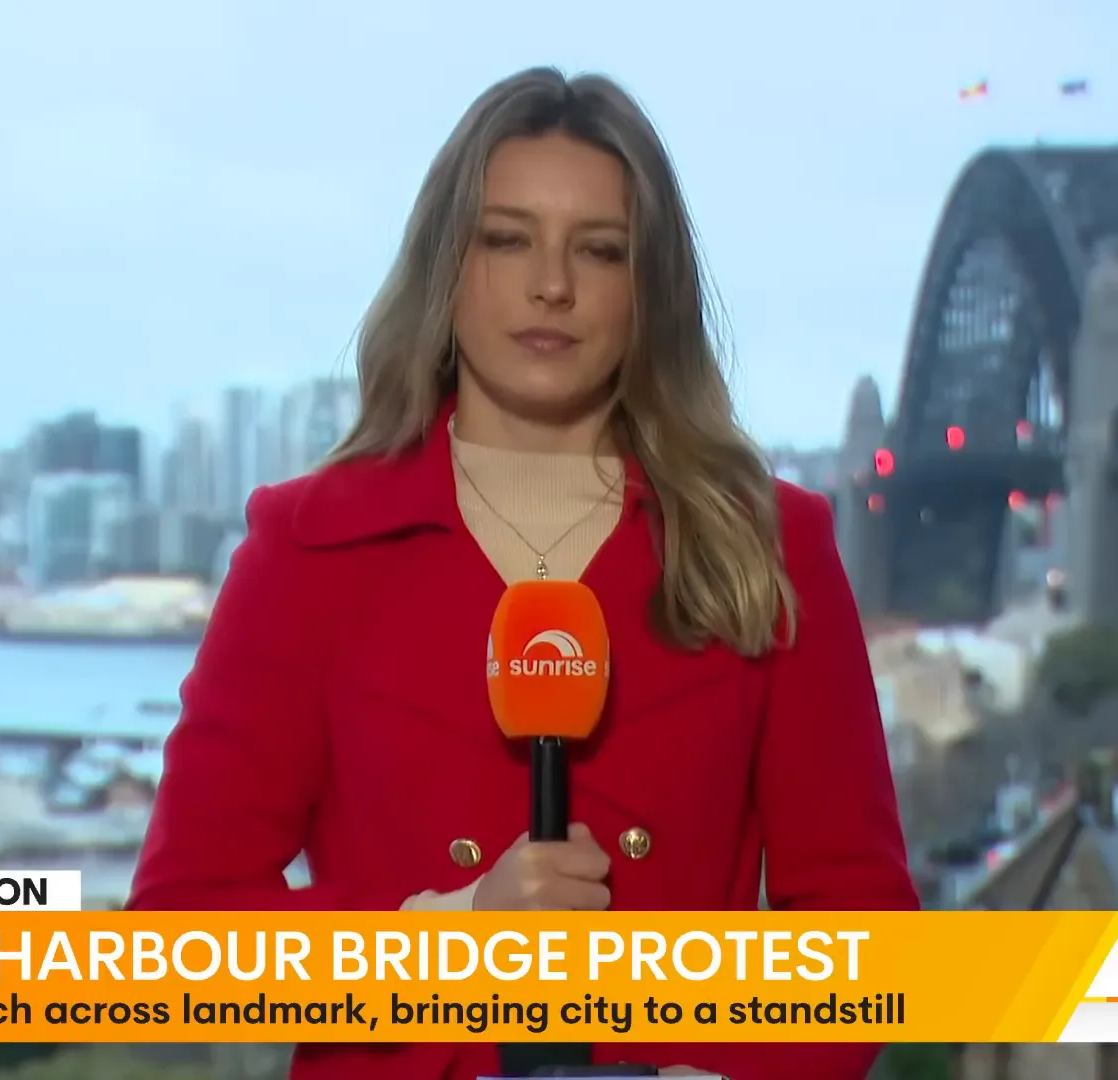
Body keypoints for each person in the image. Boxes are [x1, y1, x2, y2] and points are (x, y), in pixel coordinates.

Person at [130, 66, 918, 1080]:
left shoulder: (770, 546)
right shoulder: (309, 548)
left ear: (651, 289)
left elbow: (860, 930)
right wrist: (451, 942)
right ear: (446, 267)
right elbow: (180, 938)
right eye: (508, 240)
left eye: (600, 249)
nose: (553, 284)